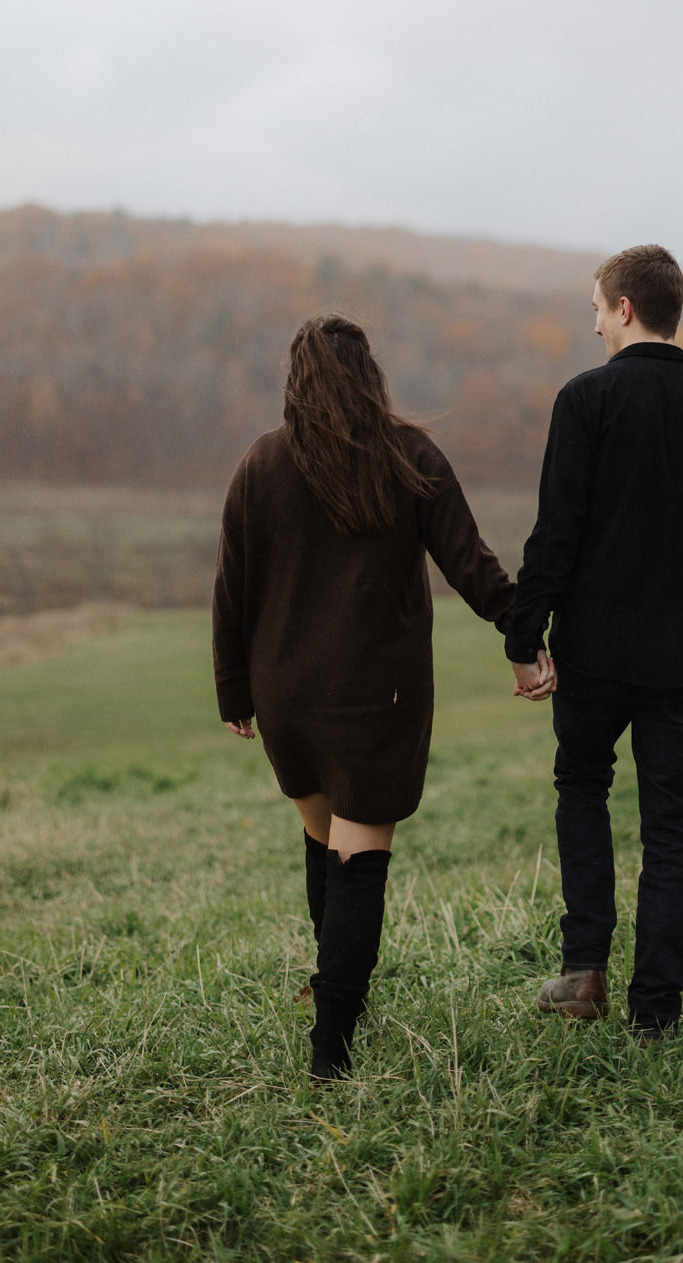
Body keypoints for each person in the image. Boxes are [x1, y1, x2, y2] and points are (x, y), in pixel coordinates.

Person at [212, 314, 536, 1082]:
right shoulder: (409, 455)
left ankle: (333, 993)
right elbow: (472, 565)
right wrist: (526, 631)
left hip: (285, 692)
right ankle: (331, 1050)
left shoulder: (260, 463)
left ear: (296, 382)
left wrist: (233, 687)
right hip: (373, 697)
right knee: (359, 865)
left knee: (328, 844)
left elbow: (232, 588)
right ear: (370, 377)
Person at [504, 245, 683, 1042]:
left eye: (595, 307)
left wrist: (525, 633)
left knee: (582, 782)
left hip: (596, 653)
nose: (594, 321)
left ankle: (583, 969)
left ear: (623, 308)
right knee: (673, 824)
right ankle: (657, 1011)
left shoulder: (586, 399)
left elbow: (557, 532)